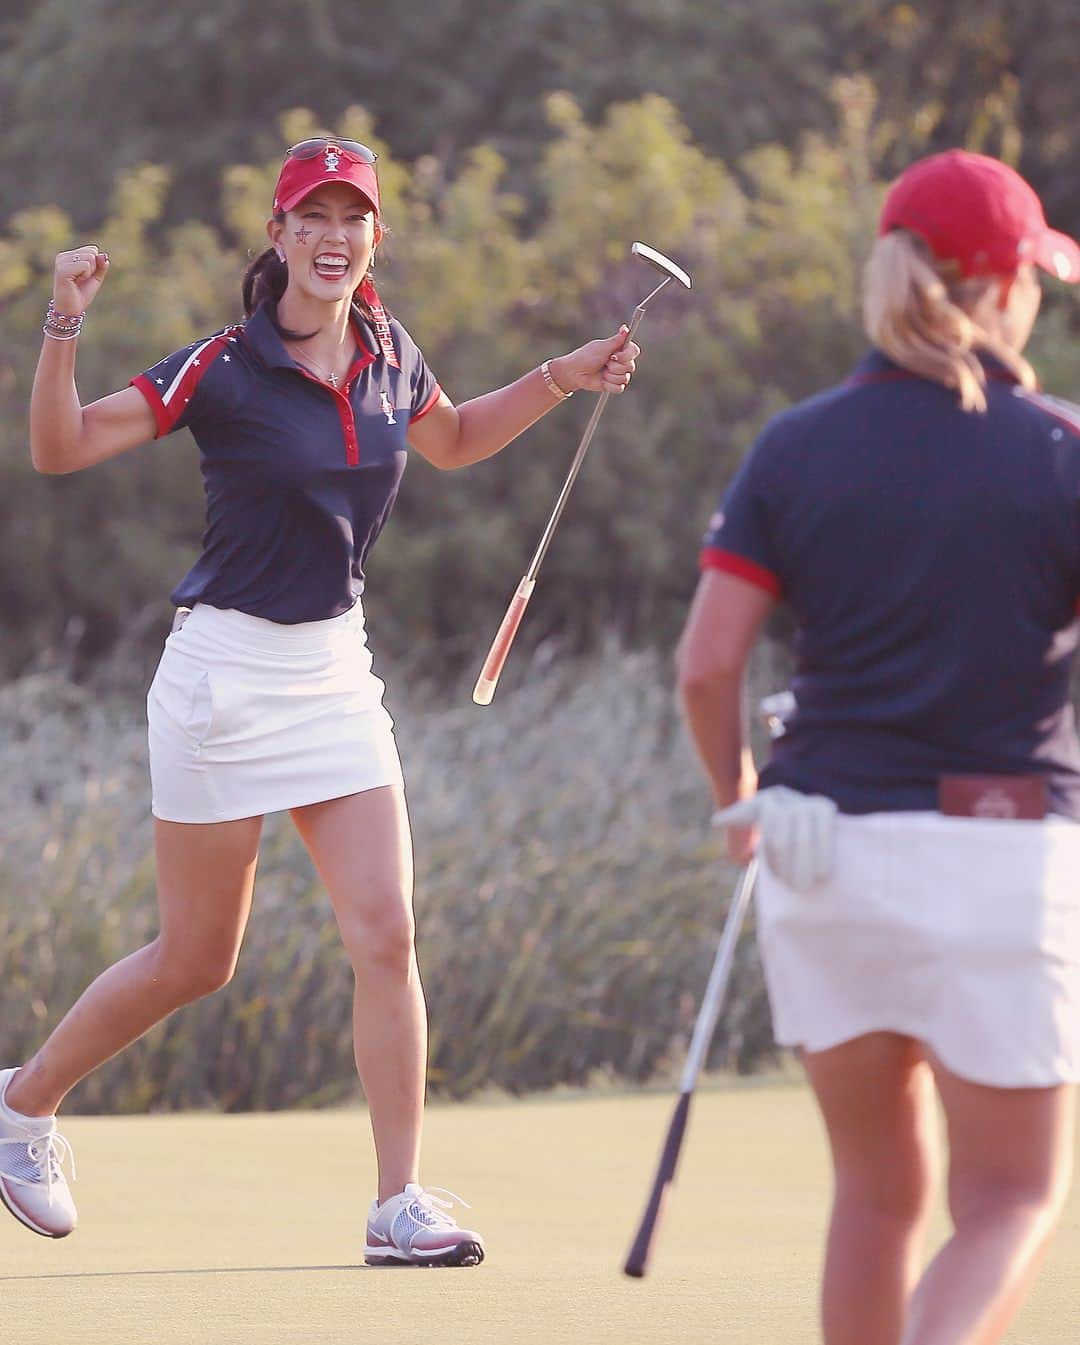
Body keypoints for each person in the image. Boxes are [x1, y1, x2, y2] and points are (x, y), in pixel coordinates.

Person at [3, 136, 639, 1265]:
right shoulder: (222, 366)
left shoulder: (394, 352)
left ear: (374, 238)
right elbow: (58, 448)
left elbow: (451, 442)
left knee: (386, 931)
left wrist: (561, 374)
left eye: (354, 218)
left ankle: (398, 1202)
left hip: (335, 673)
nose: (334, 236)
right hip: (223, 679)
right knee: (198, 959)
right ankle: (22, 1102)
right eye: (314, 217)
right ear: (280, 236)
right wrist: (62, 320)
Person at [677, 149, 1080, 1344]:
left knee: (874, 1190)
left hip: (818, 856)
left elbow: (707, 665)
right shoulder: (1060, 448)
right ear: (1006, 285)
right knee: (1009, 1195)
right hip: (1000, 856)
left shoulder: (796, 444)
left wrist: (737, 799)